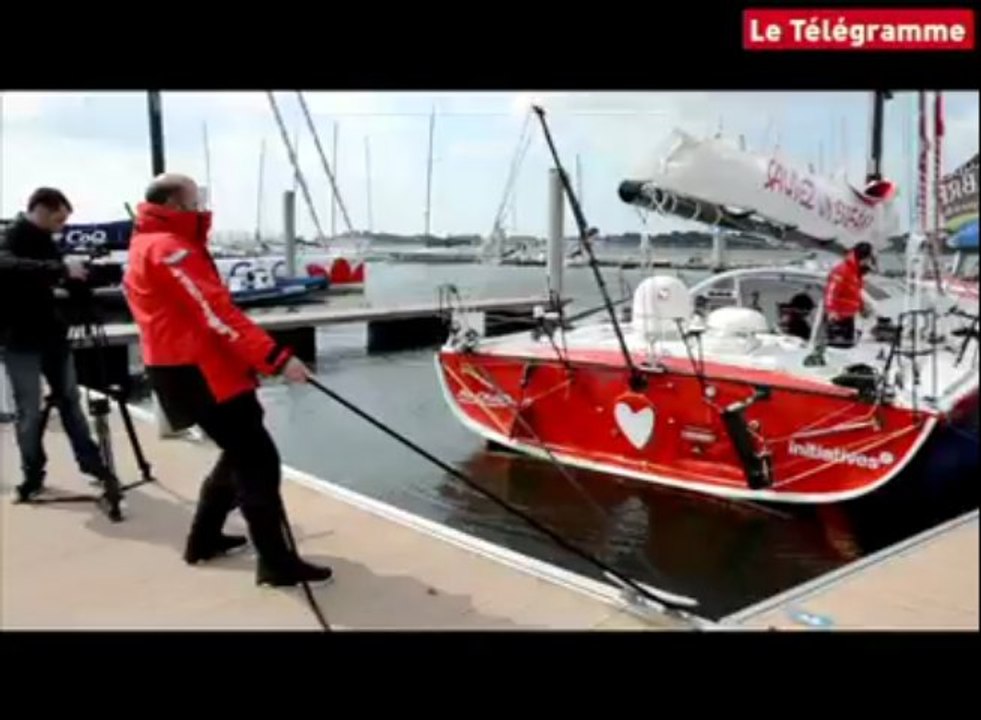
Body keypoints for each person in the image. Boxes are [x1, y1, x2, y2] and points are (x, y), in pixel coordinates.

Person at [123, 173, 332, 588]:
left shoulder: (150, 243)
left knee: (237, 453)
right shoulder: (169, 249)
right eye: (194, 201)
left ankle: (204, 539)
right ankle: (275, 563)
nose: (201, 208)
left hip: (200, 368)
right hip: (199, 372)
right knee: (258, 462)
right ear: (174, 204)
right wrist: (277, 358)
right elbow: (216, 314)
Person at [0, 188, 117, 502]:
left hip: (52, 335)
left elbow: (55, 280)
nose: (61, 226)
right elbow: (8, 266)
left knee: (70, 402)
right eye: (59, 219)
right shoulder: (9, 237)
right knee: (29, 411)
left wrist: (81, 283)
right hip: (19, 339)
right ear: (40, 209)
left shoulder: (48, 242)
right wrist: (60, 269)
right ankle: (32, 474)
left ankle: (93, 465)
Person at [823, 241, 876, 348]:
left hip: (848, 316)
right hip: (837, 317)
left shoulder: (855, 273)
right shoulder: (842, 270)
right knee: (837, 348)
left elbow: (854, 293)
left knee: (847, 347)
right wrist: (831, 311)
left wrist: (861, 306)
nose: (869, 262)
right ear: (864, 257)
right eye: (868, 259)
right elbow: (831, 291)